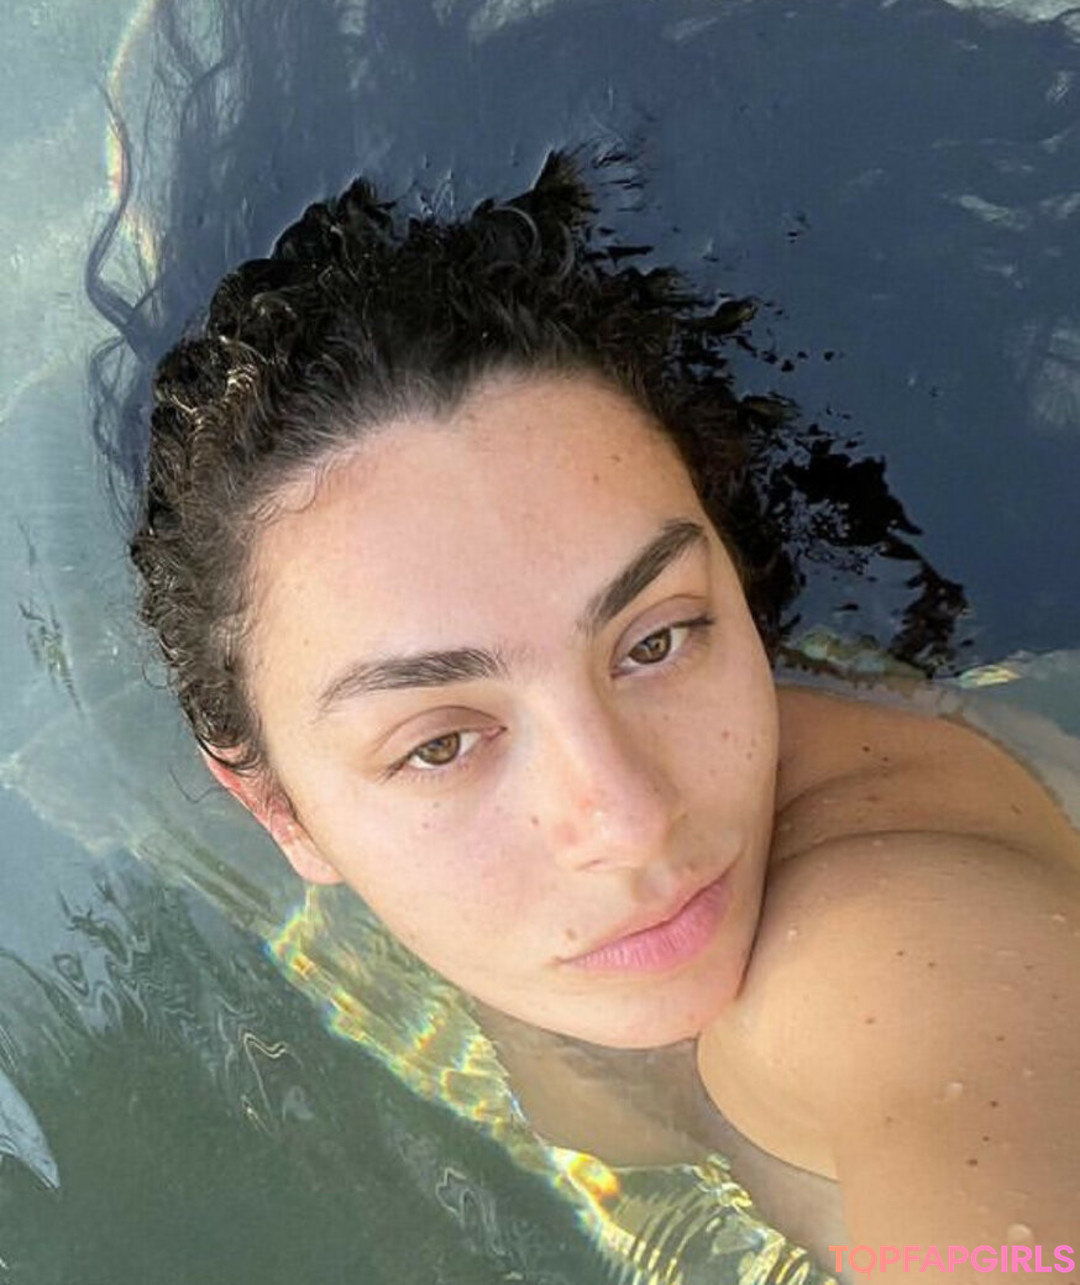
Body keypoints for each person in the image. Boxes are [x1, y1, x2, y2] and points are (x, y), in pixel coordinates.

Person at [127, 153, 1080, 1274]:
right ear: (276, 808)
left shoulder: (897, 951)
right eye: (441, 743)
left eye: (656, 638)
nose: (628, 820)